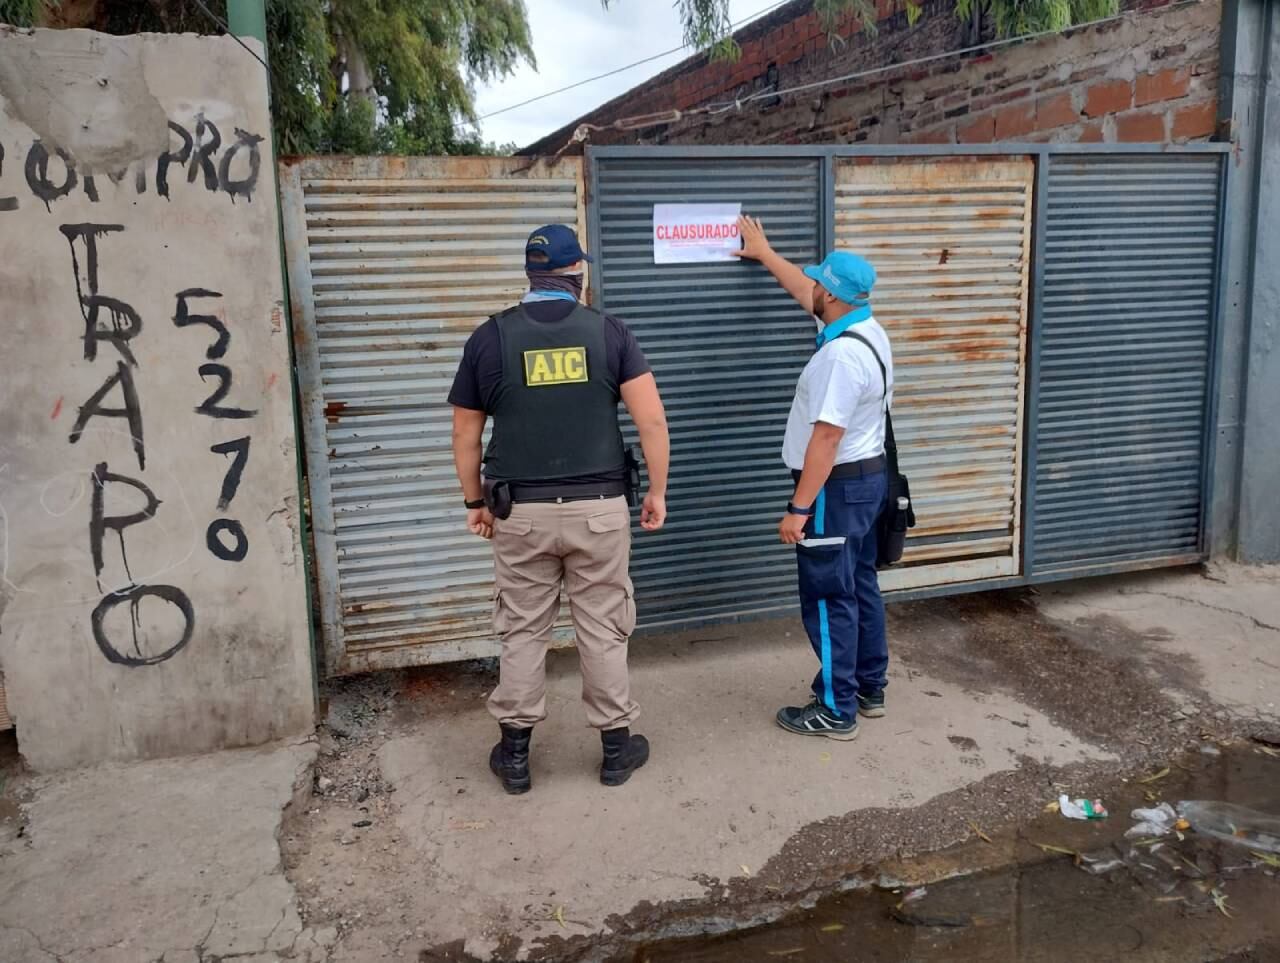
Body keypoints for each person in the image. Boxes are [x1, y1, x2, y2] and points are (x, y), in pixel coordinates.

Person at [448, 223, 670, 793]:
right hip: (600, 512)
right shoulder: (611, 334)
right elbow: (651, 422)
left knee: (522, 631)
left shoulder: (489, 339)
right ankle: (616, 751)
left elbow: (465, 435)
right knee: (603, 627)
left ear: (531, 274)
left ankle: (516, 756)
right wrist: (656, 492)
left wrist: (474, 500)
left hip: (519, 514)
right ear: (578, 274)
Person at [733, 215, 893, 742]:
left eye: (821, 283)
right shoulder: (864, 327)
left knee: (828, 595)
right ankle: (868, 686)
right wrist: (765, 253)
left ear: (835, 295)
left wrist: (799, 509)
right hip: (867, 481)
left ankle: (835, 708)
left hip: (835, 487)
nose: (814, 287)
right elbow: (805, 290)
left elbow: (825, 440)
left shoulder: (841, 358)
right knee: (859, 583)